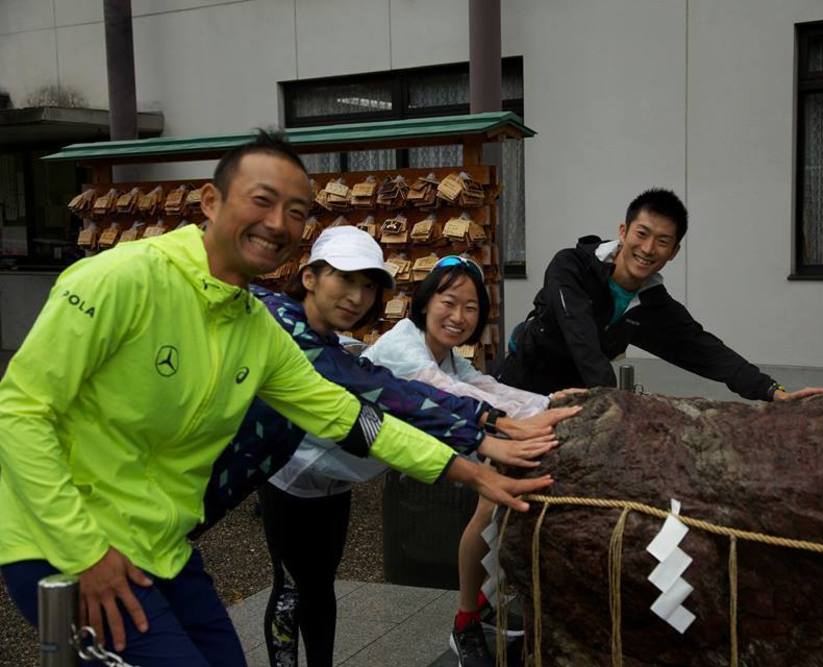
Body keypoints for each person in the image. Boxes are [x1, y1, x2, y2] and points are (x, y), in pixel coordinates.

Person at [0, 131, 551, 667]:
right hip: (68, 545)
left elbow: (350, 416)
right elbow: (19, 412)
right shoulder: (121, 278)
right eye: (262, 200)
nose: (277, 223)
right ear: (211, 201)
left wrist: (474, 473)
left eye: (296, 211)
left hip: (163, 546)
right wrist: (86, 552)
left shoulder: (256, 324)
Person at [196, 225, 577, 667]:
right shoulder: (293, 328)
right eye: (345, 279)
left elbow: (472, 388)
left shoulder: (356, 346)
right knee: (292, 588)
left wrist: (542, 407)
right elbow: (400, 396)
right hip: (291, 476)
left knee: (319, 585)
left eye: (367, 285)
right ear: (309, 277)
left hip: (333, 480)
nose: (357, 296)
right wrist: (496, 427)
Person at [363, 256, 563, 667]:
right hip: (310, 472)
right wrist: (529, 417)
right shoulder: (405, 346)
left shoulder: (448, 354)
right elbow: (451, 395)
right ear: (424, 300)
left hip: (368, 460)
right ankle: (467, 621)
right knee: (305, 594)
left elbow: (482, 384)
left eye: (471, 308)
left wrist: (550, 403)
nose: (458, 317)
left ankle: (476, 607)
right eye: (449, 301)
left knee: (493, 499)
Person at [497, 187, 823, 401]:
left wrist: (771, 391)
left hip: (576, 401)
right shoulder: (571, 266)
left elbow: (702, 349)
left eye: (662, 241)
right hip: (520, 384)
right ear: (623, 231)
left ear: (674, 251)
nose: (647, 248)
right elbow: (579, 332)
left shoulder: (653, 305)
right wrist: (617, 402)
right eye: (641, 234)